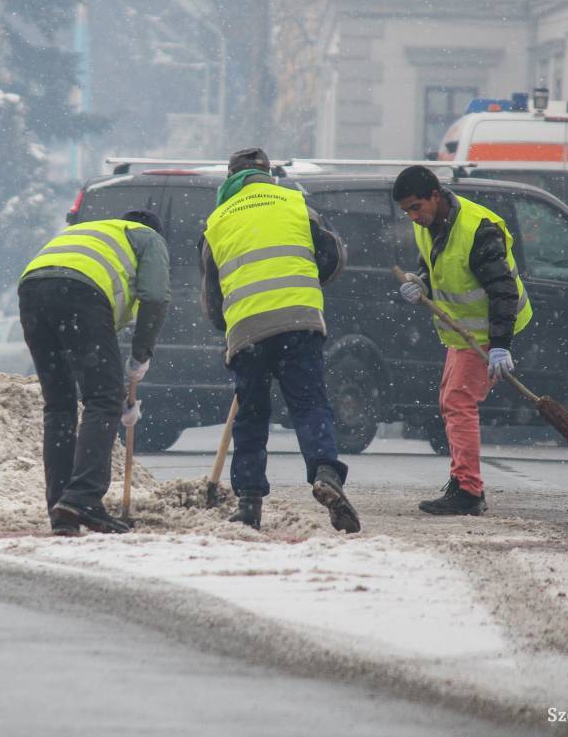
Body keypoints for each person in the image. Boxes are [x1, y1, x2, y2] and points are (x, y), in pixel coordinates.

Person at [200, 147, 359, 533]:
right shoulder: (296, 204)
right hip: (299, 319)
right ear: (267, 173)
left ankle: (249, 502)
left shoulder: (217, 221)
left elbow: (212, 298)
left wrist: (230, 329)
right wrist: (303, 278)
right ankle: (325, 470)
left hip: (247, 330)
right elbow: (335, 257)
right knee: (309, 404)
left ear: (231, 177)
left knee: (251, 417)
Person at [19, 209, 170, 536]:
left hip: (32, 290)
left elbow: (88, 341)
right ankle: (84, 497)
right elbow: (155, 298)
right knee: (101, 400)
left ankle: (62, 507)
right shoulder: (148, 238)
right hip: (80, 292)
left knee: (59, 405)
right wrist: (141, 358)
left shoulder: (92, 233)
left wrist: (119, 390)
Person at [393, 165, 532, 516]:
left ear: (435, 197)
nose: (412, 216)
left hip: (490, 329)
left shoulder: (478, 230)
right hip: (462, 332)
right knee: (450, 399)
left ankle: (469, 490)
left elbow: (503, 291)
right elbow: (431, 263)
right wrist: (420, 281)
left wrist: (502, 343)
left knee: (458, 401)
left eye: (415, 207)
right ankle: (462, 482)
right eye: (406, 210)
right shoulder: (426, 224)